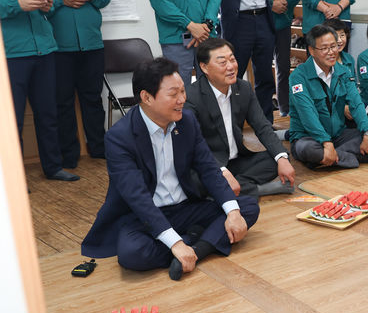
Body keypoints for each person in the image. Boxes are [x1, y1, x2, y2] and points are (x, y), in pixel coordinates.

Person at [81, 58, 260, 281]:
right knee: (132, 254)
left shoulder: (187, 121)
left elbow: (208, 169)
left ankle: (194, 251)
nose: (182, 100)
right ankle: (198, 241)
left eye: (183, 91)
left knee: (246, 207)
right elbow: (137, 198)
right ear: (146, 97)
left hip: (186, 207)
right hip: (145, 215)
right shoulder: (119, 138)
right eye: (173, 94)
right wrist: (174, 242)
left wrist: (232, 213)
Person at [185, 39, 296, 196]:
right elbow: (194, 144)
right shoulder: (191, 96)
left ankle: (232, 189)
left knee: (278, 157)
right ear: (204, 67)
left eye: (232, 59)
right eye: (222, 62)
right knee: (193, 182)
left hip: (237, 161)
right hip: (208, 164)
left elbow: (262, 127)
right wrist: (221, 170)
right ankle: (256, 190)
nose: (231, 67)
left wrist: (281, 157)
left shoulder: (243, 88)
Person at [1, 0, 79, 181]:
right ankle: (14, 178)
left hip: (44, 49)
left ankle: (53, 167)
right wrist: (16, 4)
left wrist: (48, 4)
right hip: (11, 53)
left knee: (48, 113)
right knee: (12, 120)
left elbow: (50, 2)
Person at [288, 25, 368, 168]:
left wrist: (367, 132)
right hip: (309, 138)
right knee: (307, 149)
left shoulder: (343, 72)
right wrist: (325, 142)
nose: (331, 52)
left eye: (333, 46)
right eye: (324, 48)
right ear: (311, 50)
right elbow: (307, 114)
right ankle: (352, 157)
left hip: (338, 136)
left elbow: (356, 104)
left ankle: (328, 159)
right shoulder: (298, 76)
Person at [48, 0, 113, 166]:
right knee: (62, 102)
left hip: (91, 42)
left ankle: (99, 148)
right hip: (58, 46)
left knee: (93, 98)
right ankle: (68, 155)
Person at [142, 0, 222, 86]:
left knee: (212, 87)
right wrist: (189, 25)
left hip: (206, 35)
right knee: (179, 90)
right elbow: (158, 0)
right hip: (175, 39)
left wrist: (207, 25)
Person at [217, 0, 277, 123]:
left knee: (265, 76)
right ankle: (233, 127)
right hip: (239, 22)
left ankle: (265, 124)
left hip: (264, 19)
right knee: (232, 76)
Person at [272, 0, 301, 117]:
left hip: (283, 21)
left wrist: (285, 2)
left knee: (283, 65)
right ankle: (263, 107)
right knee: (262, 67)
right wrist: (271, 3)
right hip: (263, 20)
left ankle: (284, 106)